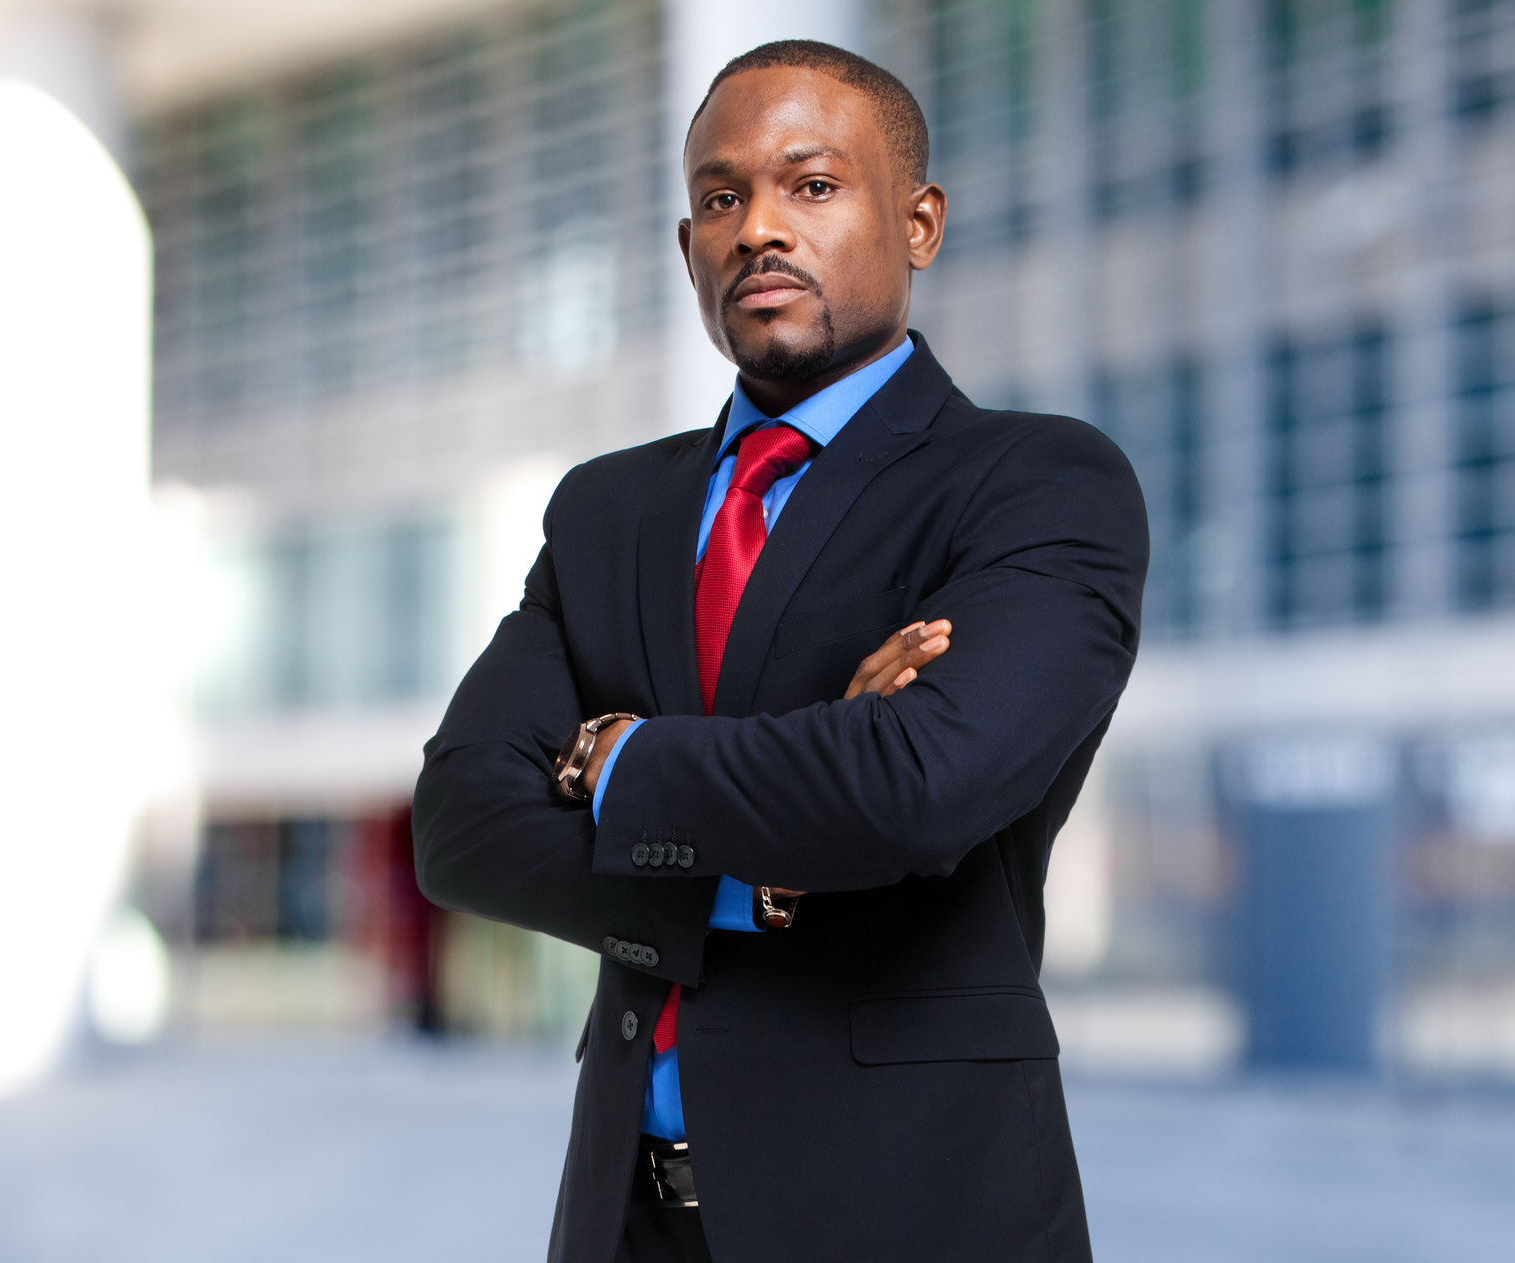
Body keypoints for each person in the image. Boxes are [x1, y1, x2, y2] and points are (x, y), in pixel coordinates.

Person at [414, 39, 1146, 1263]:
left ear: (918, 222)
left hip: (911, 1211)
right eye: (719, 197)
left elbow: (916, 787)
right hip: (625, 1221)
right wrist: (751, 881)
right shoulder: (607, 511)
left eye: (811, 186)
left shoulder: (1037, 482)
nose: (757, 227)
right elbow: (461, 825)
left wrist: (617, 756)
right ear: (686, 246)